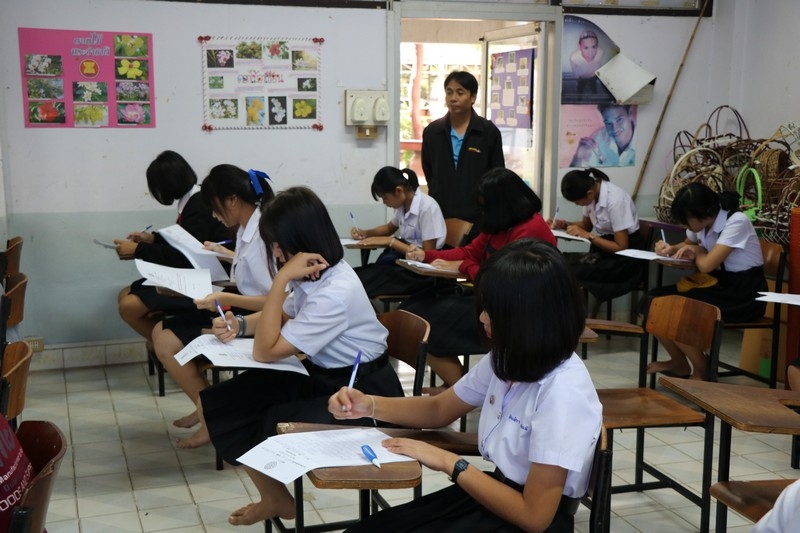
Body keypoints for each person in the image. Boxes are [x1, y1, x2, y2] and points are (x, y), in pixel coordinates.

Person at [330, 239, 603, 533]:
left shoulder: (563, 394)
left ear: (529, 318)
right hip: (494, 495)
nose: (483, 317)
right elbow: (439, 408)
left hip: (525, 519)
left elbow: (534, 518)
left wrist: (450, 462)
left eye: (494, 310)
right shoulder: (510, 357)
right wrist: (369, 404)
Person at [199, 186, 404, 526]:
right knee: (230, 399)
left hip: (362, 395)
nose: (277, 253)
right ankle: (275, 497)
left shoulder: (334, 291)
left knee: (272, 417)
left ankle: (276, 498)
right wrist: (239, 324)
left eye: (278, 244)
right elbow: (284, 314)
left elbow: (266, 351)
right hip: (326, 379)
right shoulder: (317, 275)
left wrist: (281, 279)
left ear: (302, 238)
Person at [151, 164, 274, 448]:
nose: (214, 216)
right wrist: (226, 254)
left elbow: (277, 300)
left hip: (257, 317)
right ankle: (207, 409)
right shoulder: (248, 227)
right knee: (161, 331)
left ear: (232, 200)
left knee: (166, 341)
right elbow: (250, 268)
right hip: (242, 306)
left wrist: (226, 299)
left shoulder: (262, 234)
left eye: (215, 208)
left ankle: (211, 417)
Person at [402, 168, 556, 389]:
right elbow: (470, 252)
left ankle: (459, 390)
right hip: (492, 299)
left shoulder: (530, 229)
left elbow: (503, 280)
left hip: (518, 312)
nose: (483, 213)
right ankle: (454, 386)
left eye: (486, 207)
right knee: (414, 309)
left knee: (430, 324)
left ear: (502, 204)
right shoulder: (500, 222)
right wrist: (426, 255)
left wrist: (465, 266)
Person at [647, 182, 767, 380]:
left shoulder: (736, 222)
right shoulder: (702, 223)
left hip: (743, 294)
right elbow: (688, 243)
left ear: (703, 214)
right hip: (718, 285)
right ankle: (679, 362)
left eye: (686, 221)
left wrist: (698, 251)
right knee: (653, 301)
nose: (684, 226)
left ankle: (701, 369)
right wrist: (670, 249)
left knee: (678, 308)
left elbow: (706, 265)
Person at [116, 151, 231, 344]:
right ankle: (163, 343)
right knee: (124, 295)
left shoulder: (199, 205)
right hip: (192, 275)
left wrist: (138, 250)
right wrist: (153, 238)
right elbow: (184, 240)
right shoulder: (194, 200)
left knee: (128, 307)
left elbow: (183, 256)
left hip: (208, 281)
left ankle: (170, 347)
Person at [422, 70, 505, 239]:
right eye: (449, 92)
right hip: (441, 212)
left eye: (460, 93)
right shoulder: (433, 131)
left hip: (477, 215)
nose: (453, 98)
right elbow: (429, 170)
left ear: (473, 97)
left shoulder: (487, 132)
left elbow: (496, 174)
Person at [548, 167, 646, 307]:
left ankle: (574, 314)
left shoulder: (615, 201)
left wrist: (589, 236)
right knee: (560, 262)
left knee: (572, 271)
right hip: (605, 251)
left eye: (577, 202)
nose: (577, 205)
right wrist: (563, 224)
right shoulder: (591, 194)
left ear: (589, 193)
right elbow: (585, 225)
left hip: (626, 259)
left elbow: (621, 247)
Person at [352, 166, 446, 299]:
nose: (385, 203)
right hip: (406, 262)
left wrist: (391, 242)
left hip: (421, 271)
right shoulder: (403, 205)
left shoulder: (427, 208)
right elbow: (389, 228)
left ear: (398, 191)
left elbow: (427, 254)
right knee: (361, 274)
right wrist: (366, 233)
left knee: (368, 280)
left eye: (385, 198)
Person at [570, 104, 635, 168]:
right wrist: (578, 157)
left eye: (619, 120)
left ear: (630, 113)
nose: (614, 129)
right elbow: (576, 173)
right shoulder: (597, 138)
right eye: (608, 123)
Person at [569, 30, 605, 95]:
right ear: (579, 47)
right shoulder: (575, 58)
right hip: (582, 77)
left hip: (593, 76)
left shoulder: (600, 52)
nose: (590, 52)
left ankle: (594, 92)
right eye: (586, 48)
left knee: (593, 86)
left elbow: (597, 66)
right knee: (580, 88)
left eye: (593, 47)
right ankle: (579, 95)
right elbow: (576, 74)